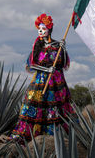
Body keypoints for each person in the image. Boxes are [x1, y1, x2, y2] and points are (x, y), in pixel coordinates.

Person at [9, 13, 75, 142]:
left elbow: (63, 62)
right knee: (32, 102)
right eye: (39, 29)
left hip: (56, 81)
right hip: (40, 80)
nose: (40, 31)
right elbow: (32, 65)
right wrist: (46, 69)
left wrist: (63, 48)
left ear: (49, 29)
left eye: (43, 28)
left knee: (55, 106)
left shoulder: (57, 45)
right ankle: (27, 134)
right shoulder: (37, 46)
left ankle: (55, 136)